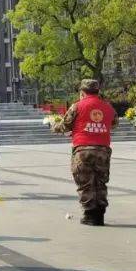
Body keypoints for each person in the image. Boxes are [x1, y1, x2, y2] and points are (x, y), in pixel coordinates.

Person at [51, 79, 119, 225]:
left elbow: (65, 125)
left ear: (82, 92)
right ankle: (99, 214)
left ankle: (89, 215)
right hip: (103, 149)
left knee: (85, 182)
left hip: (82, 149)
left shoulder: (77, 106)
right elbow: (114, 124)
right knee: (100, 181)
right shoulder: (108, 107)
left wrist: (53, 126)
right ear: (98, 91)